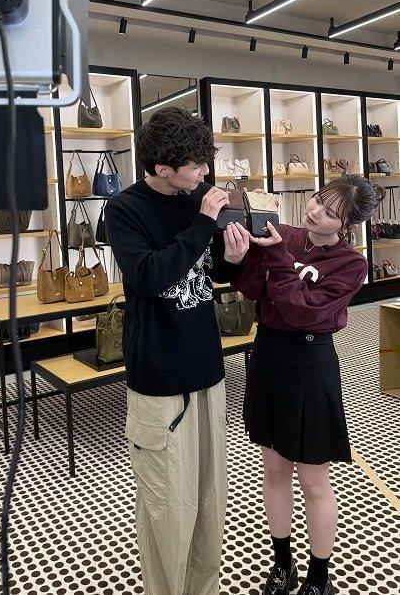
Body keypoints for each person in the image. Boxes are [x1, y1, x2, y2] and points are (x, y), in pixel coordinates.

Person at [104, 106, 251, 595]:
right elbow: (149, 278)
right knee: (168, 506)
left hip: (207, 367)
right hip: (159, 374)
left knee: (210, 501)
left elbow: (209, 273)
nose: (205, 172)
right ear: (162, 168)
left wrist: (233, 259)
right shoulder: (124, 209)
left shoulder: (196, 200)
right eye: (195, 165)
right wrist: (204, 223)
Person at [233, 175, 385, 595]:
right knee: (274, 470)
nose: (315, 211)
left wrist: (277, 257)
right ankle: (282, 564)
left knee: (314, 481)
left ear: (347, 226)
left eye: (330, 212)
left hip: (310, 360)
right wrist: (245, 254)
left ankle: (319, 578)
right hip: (269, 354)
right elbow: (251, 289)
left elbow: (303, 311)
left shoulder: (352, 264)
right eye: (318, 200)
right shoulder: (284, 234)